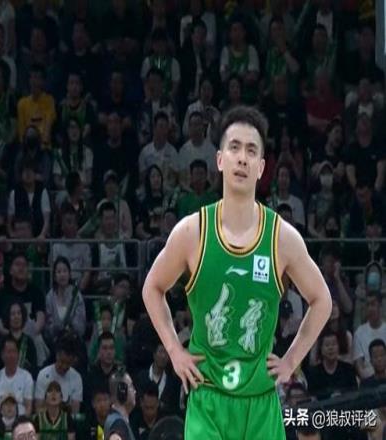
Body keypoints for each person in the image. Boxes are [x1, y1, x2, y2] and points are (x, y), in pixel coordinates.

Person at [142, 106, 332, 439]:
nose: (242, 158)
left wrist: (291, 361)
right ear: (219, 160)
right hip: (209, 398)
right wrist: (174, 350)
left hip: (260, 402)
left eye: (251, 150)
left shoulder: (282, 237)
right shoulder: (192, 232)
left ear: (261, 167)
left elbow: (322, 300)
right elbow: (152, 288)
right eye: (234, 148)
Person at [103, 367, 137, 440]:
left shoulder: (115, 419)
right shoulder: (118, 424)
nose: (135, 391)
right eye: (131, 386)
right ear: (122, 391)